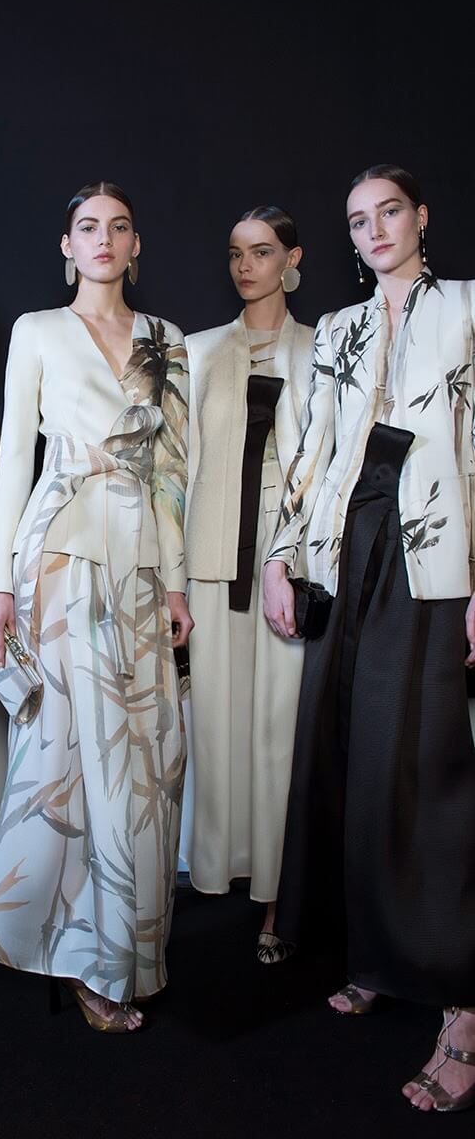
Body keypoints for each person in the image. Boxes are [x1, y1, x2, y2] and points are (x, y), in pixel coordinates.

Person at [263, 165, 475, 1112]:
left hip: (432, 553)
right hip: (345, 548)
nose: (375, 229)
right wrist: (279, 555)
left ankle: (462, 1006)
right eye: (357, 220)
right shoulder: (337, 329)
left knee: (425, 770)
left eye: (389, 211)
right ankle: (379, 956)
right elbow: (309, 446)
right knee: (350, 757)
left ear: (420, 217)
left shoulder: (466, 307)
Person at [0, 181, 192, 1032]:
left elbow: (171, 474)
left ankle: (120, 947)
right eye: (87, 227)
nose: (104, 239)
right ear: (66, 246)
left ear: (136, 245)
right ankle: (78, 957)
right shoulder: (36, 329)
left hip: (139, 561)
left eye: (119, 227)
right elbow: (14, 462)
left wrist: (175, 581)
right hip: (58, 554)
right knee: (66, 755)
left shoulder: (167, 340)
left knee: (141, 761)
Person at [181, 207, 314, 961]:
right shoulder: (197, 350)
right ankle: (217, 871)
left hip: (290, 561)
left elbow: (327, 464)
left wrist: (291, 558)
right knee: (215, 724)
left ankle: (274, 895)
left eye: (261, 252)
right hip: (208, 558)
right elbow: (178, 471)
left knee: (278, 729)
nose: (245, 266)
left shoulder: (323, 347)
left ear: (292, 259)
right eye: (235, 253)